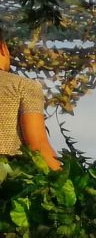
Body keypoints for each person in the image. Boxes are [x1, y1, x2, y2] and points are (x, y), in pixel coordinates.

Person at [0, 39, 60, 170]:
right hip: (8, 176)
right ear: (2, 48)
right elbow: (38, 146)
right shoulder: (23, 86)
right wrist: (63, 177)